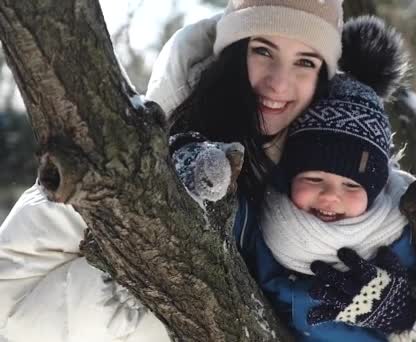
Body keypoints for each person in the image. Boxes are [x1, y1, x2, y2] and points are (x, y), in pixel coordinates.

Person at [0, 1, 347, 341]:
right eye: (264, 51)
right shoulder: (136, 153)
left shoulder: (330, 186)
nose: (279, 83)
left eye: (305, 61)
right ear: (234, 53)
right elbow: (10, 299)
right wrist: (147, 288)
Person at [174, 20, 416, 341]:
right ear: (289, 175)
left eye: (351, 186)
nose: (331, 196)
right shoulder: (267, 231)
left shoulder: (402, 215)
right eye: (314, 178)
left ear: (374, 190)